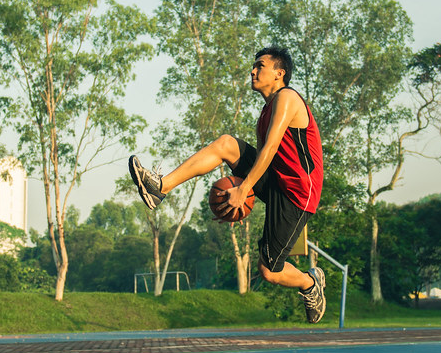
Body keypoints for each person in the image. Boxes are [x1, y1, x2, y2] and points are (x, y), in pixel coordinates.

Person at [128, 46, 326, 322]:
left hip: (298, 193)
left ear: (279, 73)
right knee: (226, 145)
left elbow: (269, 149)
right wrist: (236, 202)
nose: (252, 70)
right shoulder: (266, 112)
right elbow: (262, 163)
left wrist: (244, 190)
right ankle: (159, 187)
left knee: (269, 271)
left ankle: (310, 282)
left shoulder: (288, 98)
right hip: (278, 181)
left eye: (260, 66)